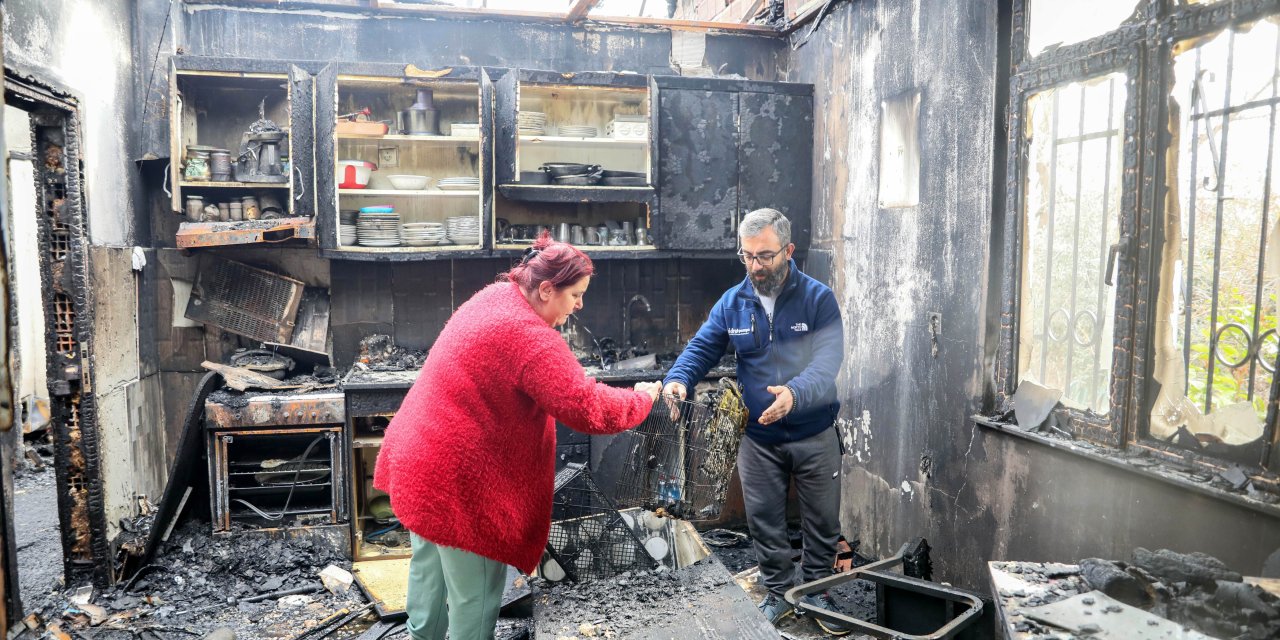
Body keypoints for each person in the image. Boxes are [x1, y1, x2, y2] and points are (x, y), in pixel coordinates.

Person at [373, 233, 662, 640]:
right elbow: (585, 407)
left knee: (430, 580)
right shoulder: (529, 337)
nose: (580, 305)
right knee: (475, 601)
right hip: (460, 482)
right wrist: (641, 399)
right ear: (546, 289)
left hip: (418, 463)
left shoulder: (496, 296)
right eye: (575, 295)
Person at [662, 208, 849, 634]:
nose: (755, 266)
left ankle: (818, 594)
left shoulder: (818, 298)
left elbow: (829, 361)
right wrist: (677, 381)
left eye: (764, 256)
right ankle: (780, 595)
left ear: (788, 250)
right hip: (759, 439)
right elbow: (701, 349)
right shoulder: (733, 302)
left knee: (822, 520)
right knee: (764, 520)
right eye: (746, 256)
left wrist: (795, 394)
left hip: (813, 430)